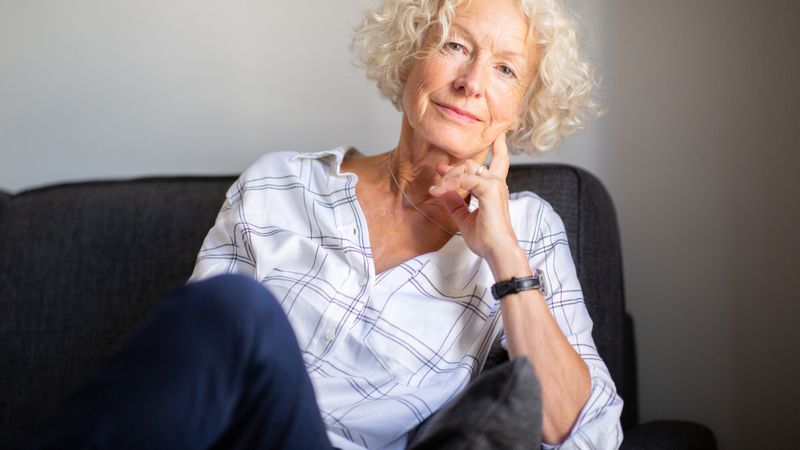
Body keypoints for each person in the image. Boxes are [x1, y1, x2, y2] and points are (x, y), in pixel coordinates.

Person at [22, 0, 622, 449]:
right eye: (456, 46)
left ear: (522, 109)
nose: (471, 83)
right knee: (231, 312)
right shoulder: (277, 185)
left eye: (506, 71)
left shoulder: (527, 232)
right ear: (411, 51)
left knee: (239, 309)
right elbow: (190, 374)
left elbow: (586, 432)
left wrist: (504, 259)